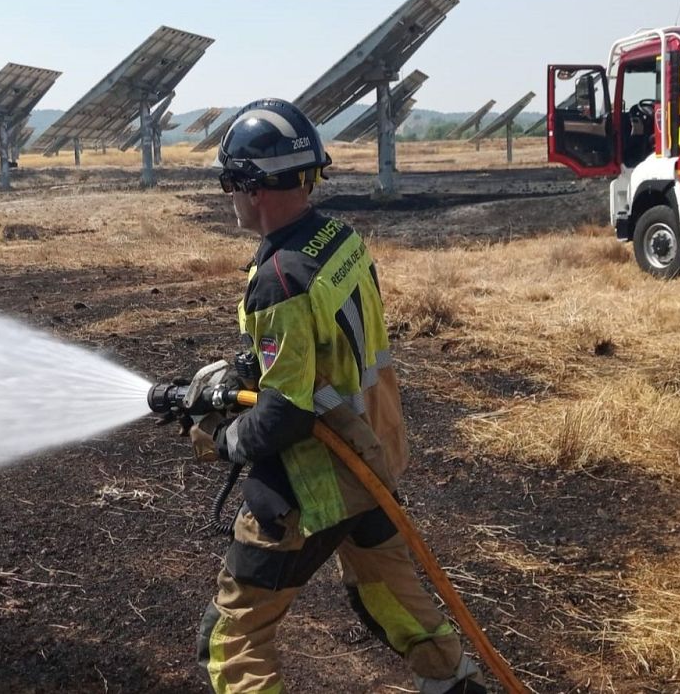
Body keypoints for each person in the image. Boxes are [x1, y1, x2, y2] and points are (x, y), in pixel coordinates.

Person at [187, 99, 484, 694]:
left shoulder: (278, 279)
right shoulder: (337, 240)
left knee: (231, 640)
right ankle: (456, 685)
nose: (228, 198)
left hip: (314, 485)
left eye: (229, 183)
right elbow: (326, 354)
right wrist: (253, 368)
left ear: (253, 186)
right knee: (390, 599)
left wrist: (222, 437)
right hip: (370, 459)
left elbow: (286, 415)